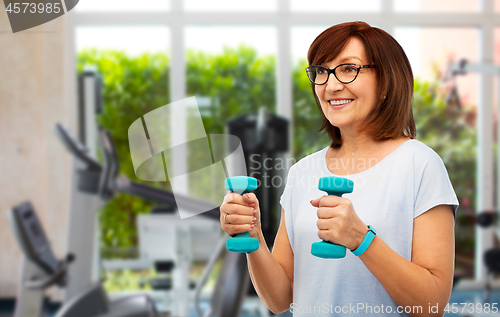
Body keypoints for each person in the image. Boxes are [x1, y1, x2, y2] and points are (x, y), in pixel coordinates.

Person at [220, 21, 458, 317]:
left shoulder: (420, 164)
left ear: (386, 81)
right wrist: (253, 237)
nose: (330, 85)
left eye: (348, 69)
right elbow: (280, 299)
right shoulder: (303, 172)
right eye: (321, 71)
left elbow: (431, 305)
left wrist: (361, 239)